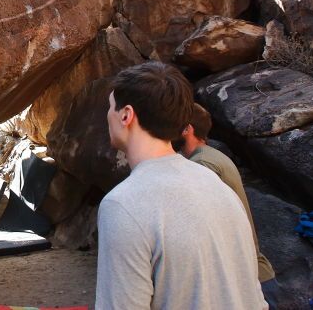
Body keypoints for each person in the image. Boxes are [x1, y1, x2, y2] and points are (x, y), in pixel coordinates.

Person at [96, 61, 267, 310]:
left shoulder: (122, 205)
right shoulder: (218, 188)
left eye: (110, 107)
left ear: (126, 115)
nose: (108, 115)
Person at [177, 103, 279, 306]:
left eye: (172, 125)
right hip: (253, 277)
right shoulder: (210, 157)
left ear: (188, 129)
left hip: (247, 283)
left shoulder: (203, 166)